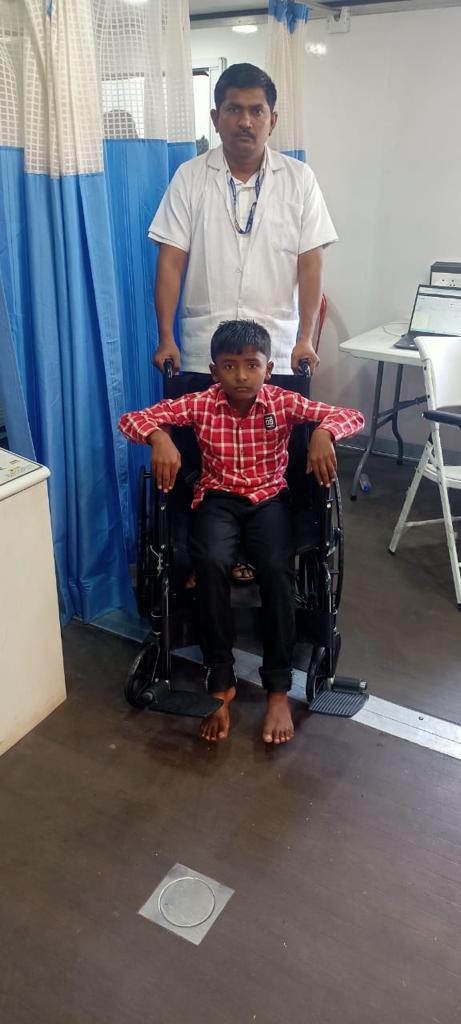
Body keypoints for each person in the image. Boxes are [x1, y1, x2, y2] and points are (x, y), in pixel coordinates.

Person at [119, 320, 364, 746]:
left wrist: (324, 432)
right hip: (217, 499)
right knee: (210, 562)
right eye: (230, 366)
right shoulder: (201, 403)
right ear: (214, 371)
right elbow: (132, 419)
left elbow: (350, 415)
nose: (241, 376)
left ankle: (277, 689)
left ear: (268, 369)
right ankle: (221, 681)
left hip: (269, 500)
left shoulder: (282, 402)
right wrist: (159, 436)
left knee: (276, 569)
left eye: (252, 365)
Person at [149, 62, 337, 380]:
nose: (245, 122)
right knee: (200, 417)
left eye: (256, 111)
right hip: (206, 354)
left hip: (276, 354)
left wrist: (305, 339)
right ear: (215, 119)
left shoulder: (299, 179)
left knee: (277, 417)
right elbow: (170, 263)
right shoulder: (189, 178)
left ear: (272, 120)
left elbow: (310, 265)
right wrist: (166, 338)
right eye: (234, 109)